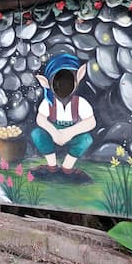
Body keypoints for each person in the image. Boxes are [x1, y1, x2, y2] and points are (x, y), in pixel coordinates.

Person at [30, 54, 95, 183]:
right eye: (59, 82)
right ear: (46, 83)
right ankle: (52, 166)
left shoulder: (80, 102)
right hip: (52, 134)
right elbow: (40, 119)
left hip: (72, 135)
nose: (63, 86)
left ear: (79, 77)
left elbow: (91, 121)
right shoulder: (48, 102)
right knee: (37, 134)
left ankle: (67, 168)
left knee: (86, 139)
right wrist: (54, 133)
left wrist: (68, 133)